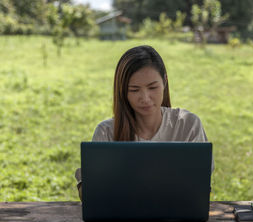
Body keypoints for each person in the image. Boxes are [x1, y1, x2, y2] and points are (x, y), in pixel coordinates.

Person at [75, 45, 213, 200]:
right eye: (134, 90)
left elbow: (201, 188)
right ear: (122, 91)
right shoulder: (106, 132)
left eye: (152, 87)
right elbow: (91, 194)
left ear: (165, 82)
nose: (145, 98)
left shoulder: (187, 125)